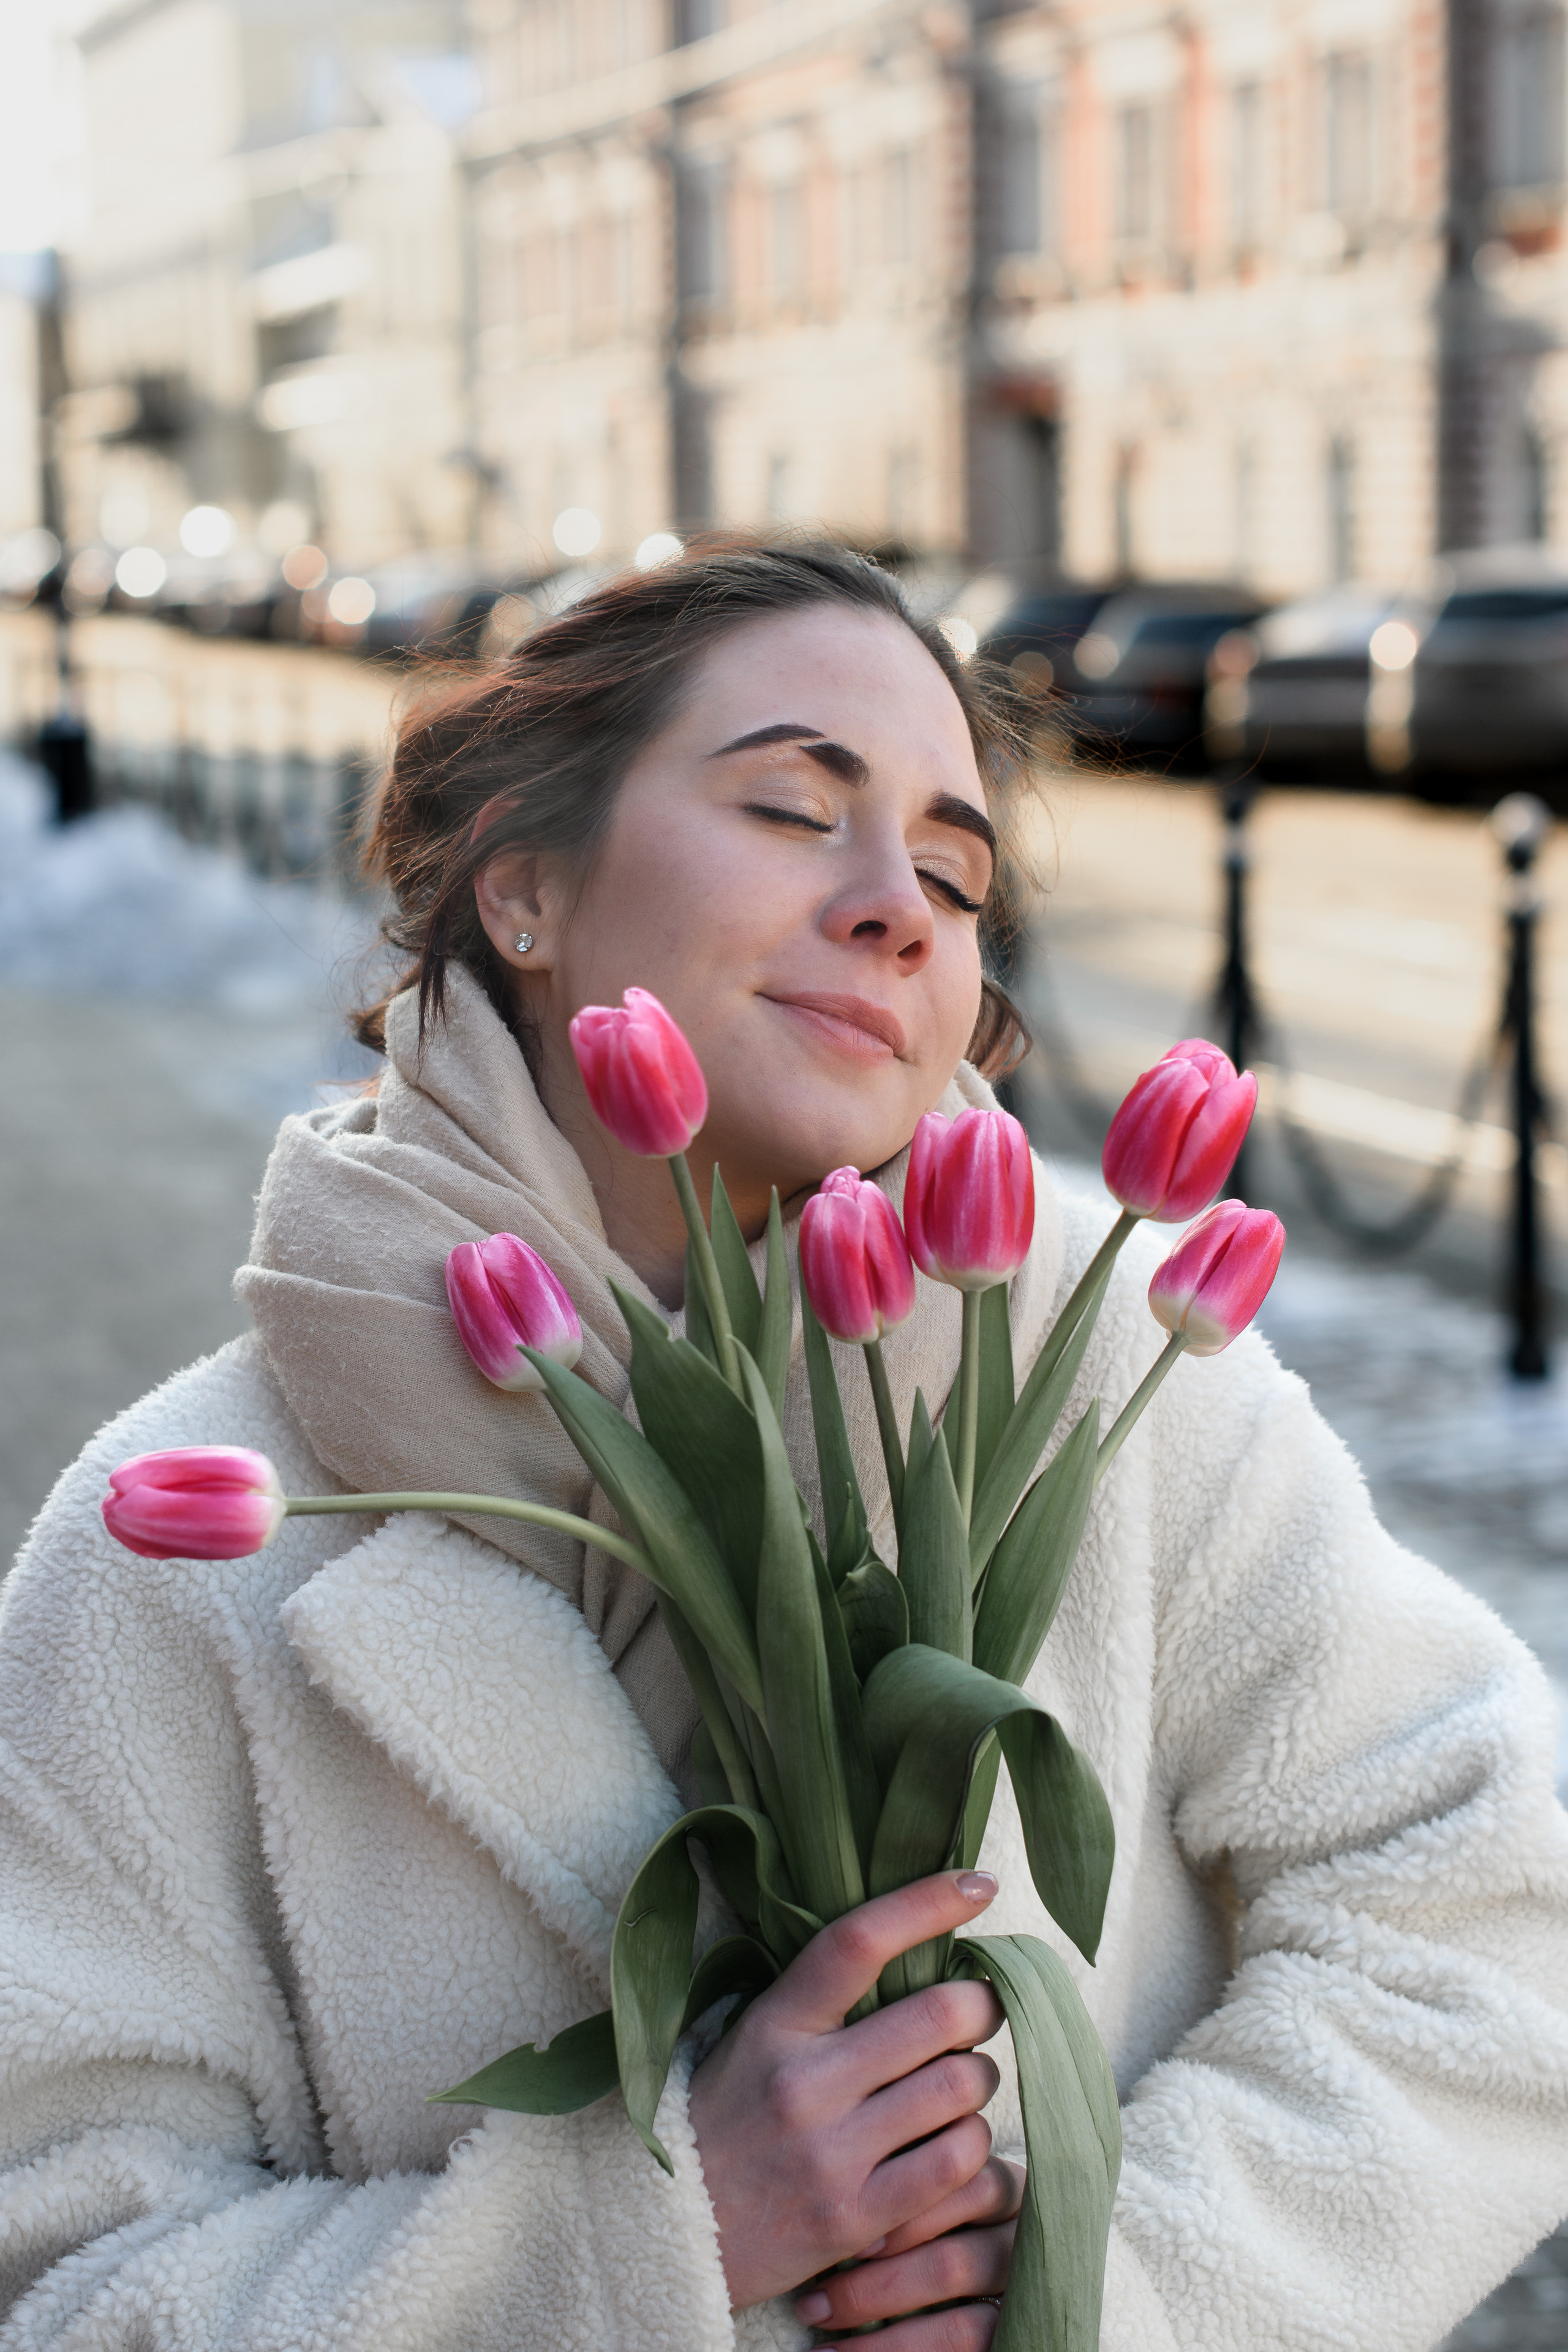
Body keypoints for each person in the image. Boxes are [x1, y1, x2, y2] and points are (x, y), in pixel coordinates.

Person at [1, 541, 1566, 2352]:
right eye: (793, 811)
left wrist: (1087, 2274)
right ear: (525, 886)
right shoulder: (182, 1550)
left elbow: (1493, 1927)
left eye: (955, 875)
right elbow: (56, 2268)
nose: (899, 907)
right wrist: (650, 2239)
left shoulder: (1109, 1387)